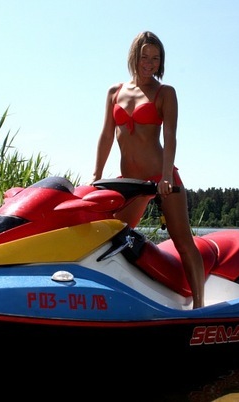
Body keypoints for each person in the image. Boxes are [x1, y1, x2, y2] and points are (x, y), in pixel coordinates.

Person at [91, 31, 205, 309]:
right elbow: (106, 136)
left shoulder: (165, 93)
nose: (150, 63)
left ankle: (200, 307)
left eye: (155, 58)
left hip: (161, 177)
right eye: (145, 57)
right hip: (130, 182)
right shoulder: (115, 92)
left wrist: (166, 176)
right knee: (114, 237)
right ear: (134, 56)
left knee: (183, 241)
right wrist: (96, 175)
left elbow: (171, 137)